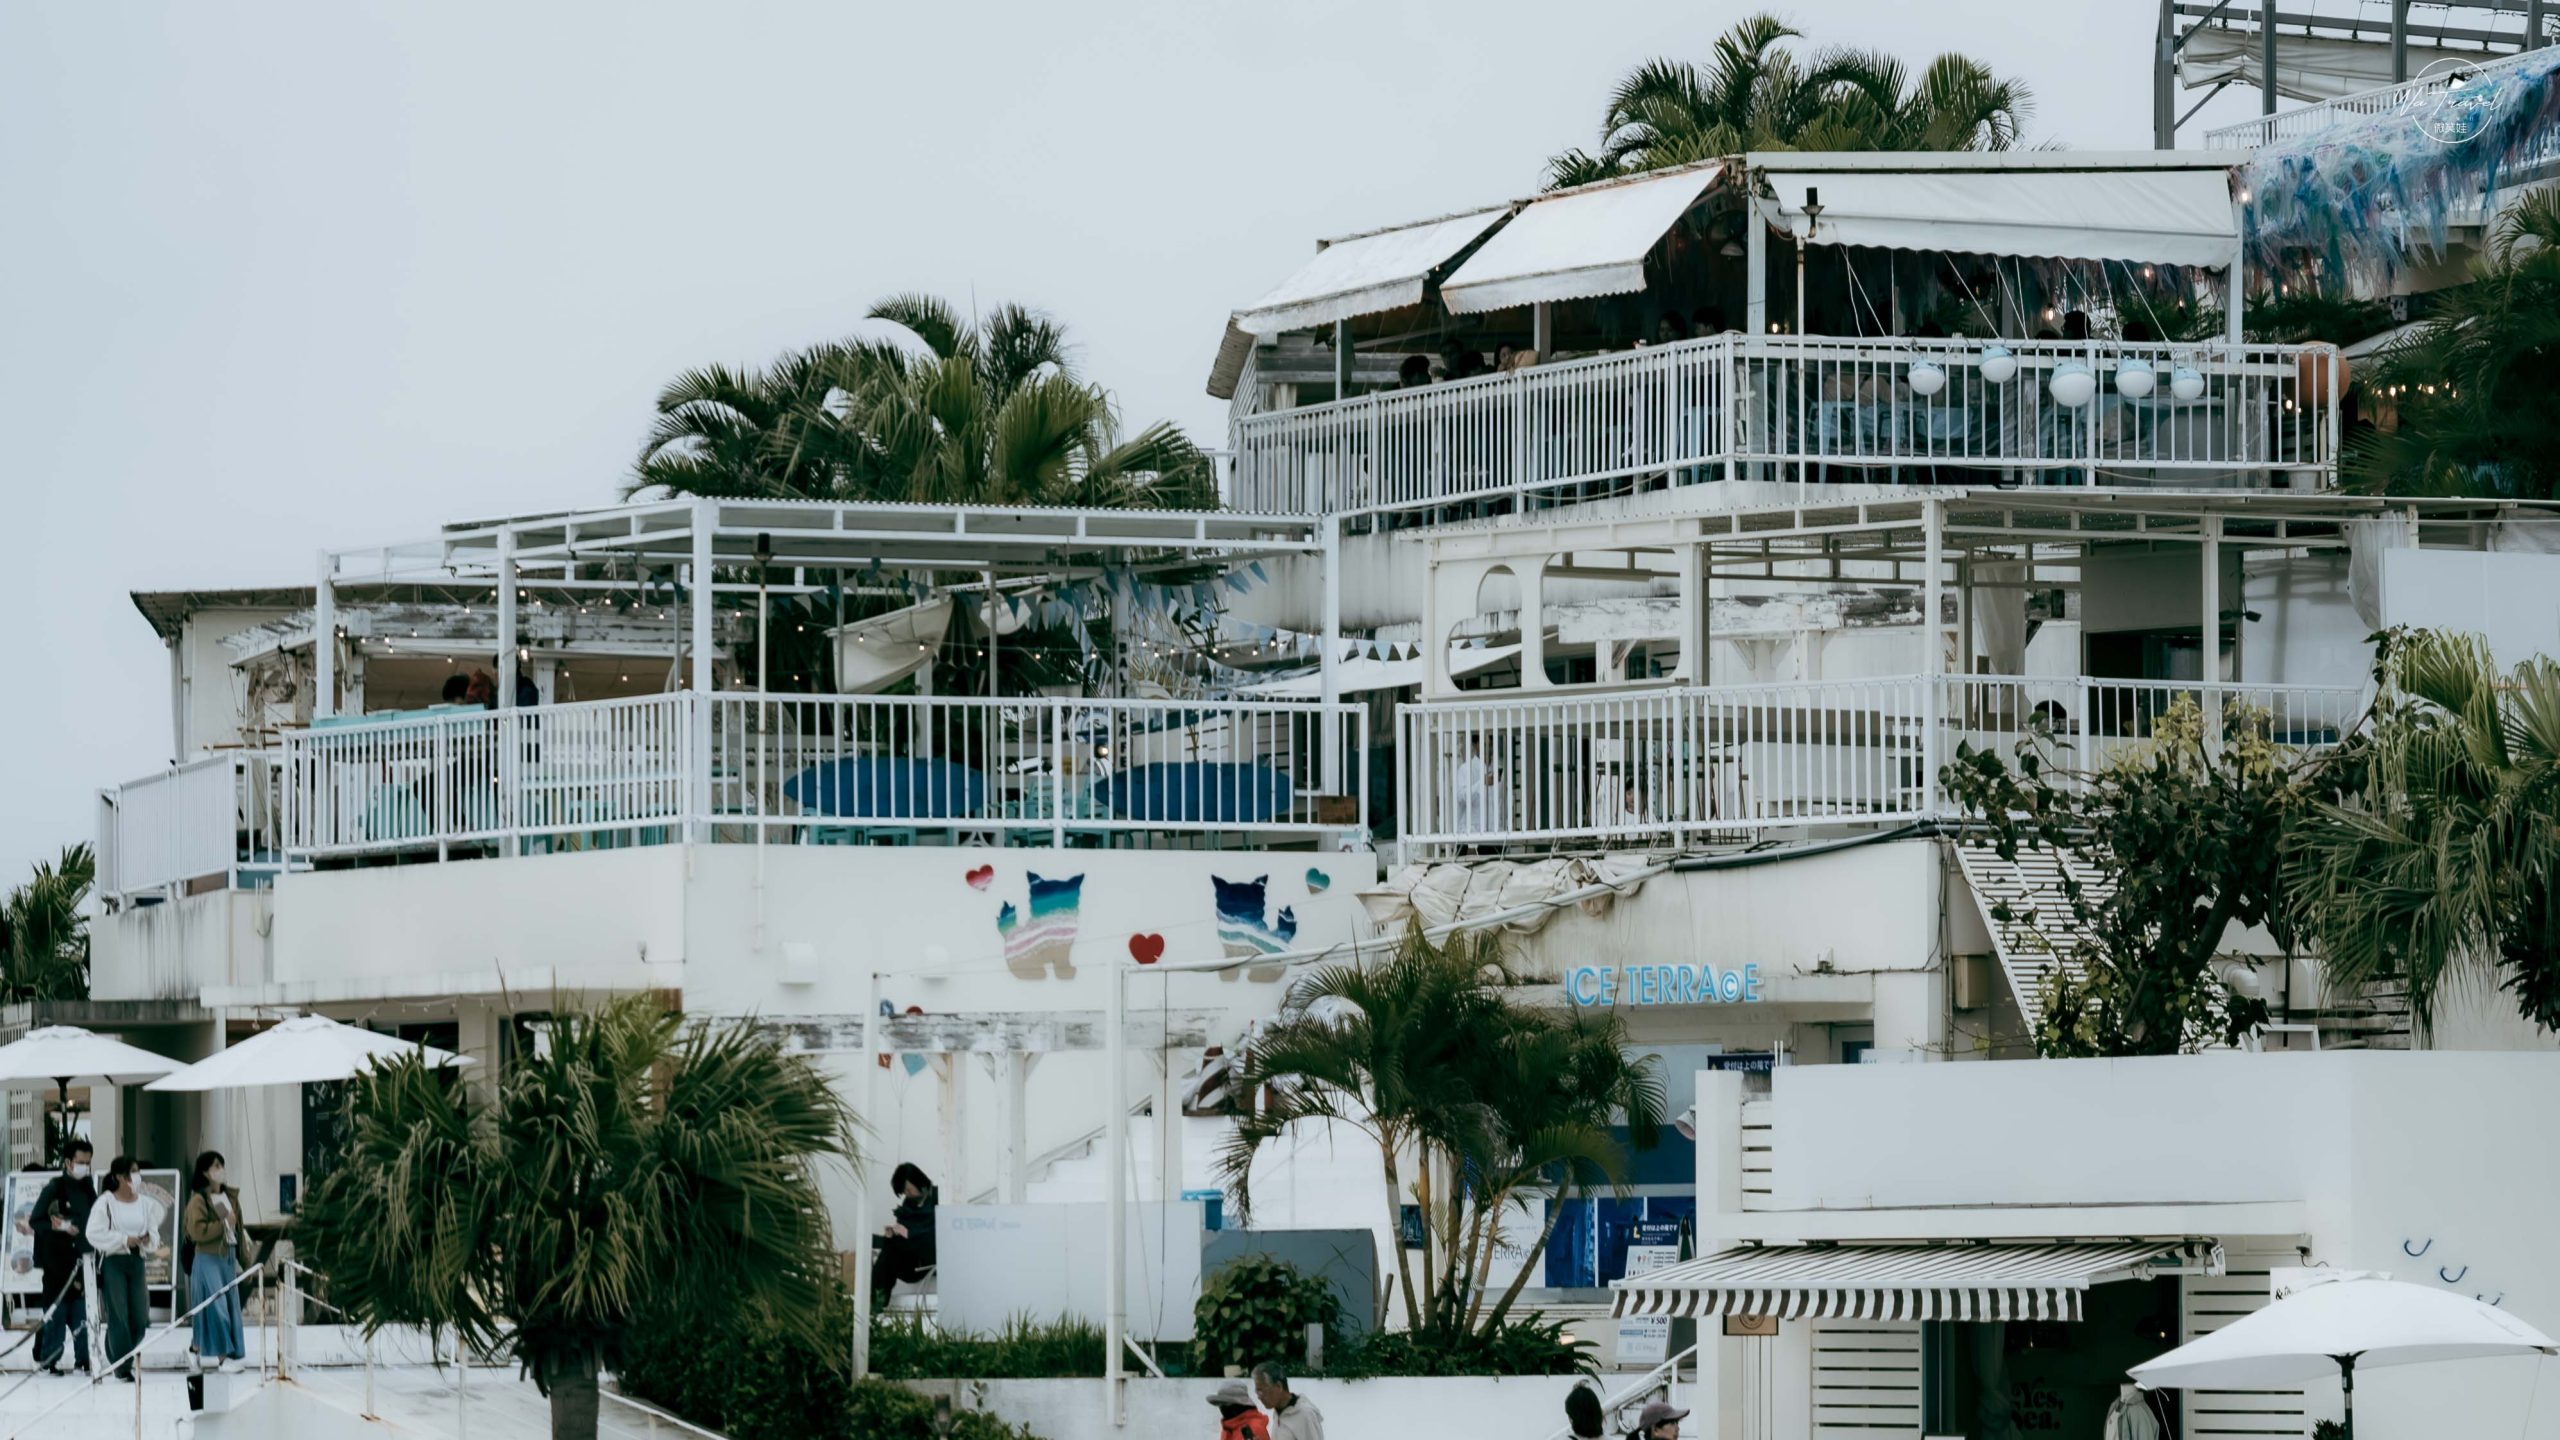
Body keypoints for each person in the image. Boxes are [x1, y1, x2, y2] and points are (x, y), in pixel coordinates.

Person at [84, 1157, 164, 1382]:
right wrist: (122, 1239)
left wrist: (147, 1239)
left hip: (137, 1260)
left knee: (139, 1317)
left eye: (137, 1171)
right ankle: (122, 1366)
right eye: (132, 1172)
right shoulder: (106, 1202)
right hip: (114, 1261)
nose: (137, 1176)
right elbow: (93, 1233)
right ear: (119, 1176)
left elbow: (154, 1233)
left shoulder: (145, 1203)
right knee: (118, 1315)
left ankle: (116, 1353)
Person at [182, 1150, 251, 1371]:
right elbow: (196, 1231)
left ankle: (196, 1348)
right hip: (208, 1258)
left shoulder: (230, 1197)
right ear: (205, 1172)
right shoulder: (198, 1200)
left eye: (221, 1165)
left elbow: (238, 1230)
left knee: (229, 1308)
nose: (221, 1171)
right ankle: (223, 1357)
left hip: (227, 1257)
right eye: (215, 1167)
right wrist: (223, 1225)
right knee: (216, 1307)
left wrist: (244, 1259)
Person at [30, 1140, 94, 1375]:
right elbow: (36, 1220)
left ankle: (84, 1359)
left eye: (87, 1162)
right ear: (67, 1162)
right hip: (56, 1259)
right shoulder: (54, 1188)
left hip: (82, 1257)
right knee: (56, 1311)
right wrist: (60, 1226)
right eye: (80, 1162)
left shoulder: (88, 1187)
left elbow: (95, 1216)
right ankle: (48, 1359)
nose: (84, 1167)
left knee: (81, 1312)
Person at [869, 1162, 937, 1304]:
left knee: (889, 1250)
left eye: (908, 1190)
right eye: (904, 1192)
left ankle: (877, 1298)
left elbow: (940, 1231)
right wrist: (892, 1235)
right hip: (910, 1261)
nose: (907, 1194)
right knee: (889, 1249)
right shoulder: (909, 1204)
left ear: (918, 1181)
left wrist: (910, 1233)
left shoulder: (938, 1198)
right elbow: (903, 1234)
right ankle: (877, 1298)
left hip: (927, 1258)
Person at [1253, 1362, 1323, 1440]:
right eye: (1257, 1391)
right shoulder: (1278, 1412)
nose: (1259, 1397)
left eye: (1262, 1391)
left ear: (1279, 1386)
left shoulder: (1305, 1415)